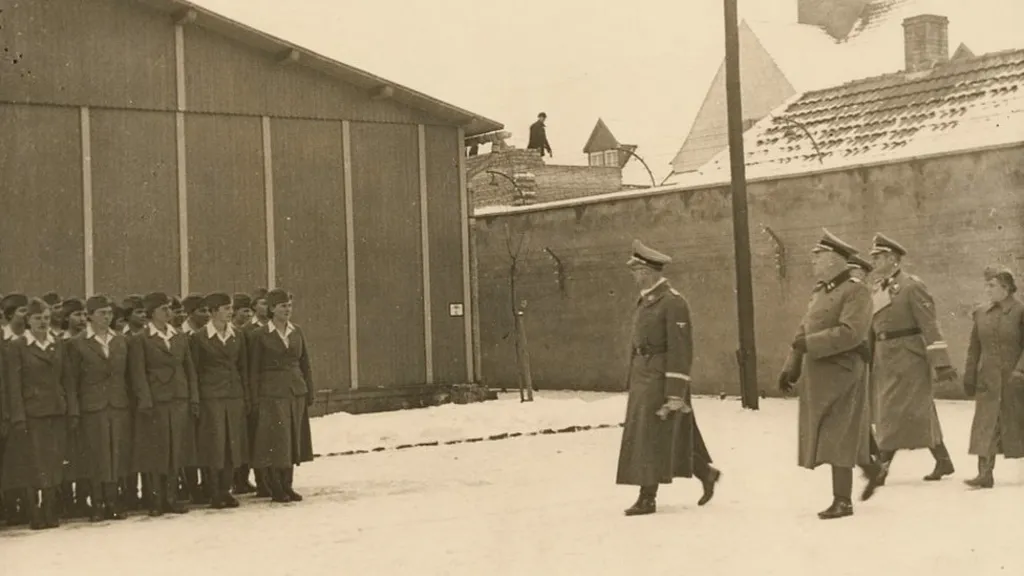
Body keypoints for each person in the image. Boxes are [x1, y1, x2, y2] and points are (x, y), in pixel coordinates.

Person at [615, 240, 721, 516]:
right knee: (672, 432)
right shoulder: (647, 301)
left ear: (649, 271)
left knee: (649, 436)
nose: (634, 276)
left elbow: (681, 348)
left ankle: (647, 497)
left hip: (660, 378)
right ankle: (705, 472)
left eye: (637, 270)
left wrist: (675, 390)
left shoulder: (673, 302)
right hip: (644, 375)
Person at [778, 230, 877, 519]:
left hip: (844, 373)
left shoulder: (856, 290)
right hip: (819, 374)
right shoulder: (821, 291)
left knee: (838, 435)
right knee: (835, 434)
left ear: (835, 259)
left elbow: (851, 333)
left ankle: (842, 501)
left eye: (818, 256)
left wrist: (811, 345)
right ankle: (871, 468)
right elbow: (803, 329)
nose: (813, 261)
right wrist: (791, 365)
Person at [866, 233, 958, 489]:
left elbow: (929, 325)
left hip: (909, 358)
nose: (873, 261)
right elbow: (872, 327)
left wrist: (942, 362)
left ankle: (881, 467)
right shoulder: (877, 287)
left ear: (892, 259)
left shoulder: (911, 286)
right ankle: (943, 460)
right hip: (885, 358)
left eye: (878, 257)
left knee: (893, 411)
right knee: (916, 411)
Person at [128, 291, 198, 516]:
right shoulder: (141, 338)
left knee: (175, 451)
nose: (169, 312)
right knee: (156, 452)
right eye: (163, 309)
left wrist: (192, 398)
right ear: (151, 314)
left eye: (169, 308)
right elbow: (138, 373)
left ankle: (171, 496)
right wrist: (145, 400)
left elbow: (189, 370)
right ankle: (155, 499)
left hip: (178, 398)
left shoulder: (178, 336)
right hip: (156, 401)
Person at [64, 295, 133, 521]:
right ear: (90, 316)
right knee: (97, 455)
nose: (107, 317)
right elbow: (71, 381)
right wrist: (74, 410)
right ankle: (97, 502)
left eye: (109, 313)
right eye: (102, 313)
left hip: (118, 404)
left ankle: (113, 501)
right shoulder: (77, 343)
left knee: (116, 454)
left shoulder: (121, 340)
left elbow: (129, 376)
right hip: (92, 406)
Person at [4, 298, 71, 529]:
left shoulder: (57, 343)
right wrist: (18, 416)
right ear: (28, 321)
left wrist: (69, 408)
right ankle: (35, 512)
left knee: (53, 461)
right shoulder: (19, 346)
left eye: (45, 318)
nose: (42, 322)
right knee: (33, 463)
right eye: (37, 318)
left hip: (56, 411)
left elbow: (67, 379)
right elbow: (14, 385)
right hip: (33, 413)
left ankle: (50, 510)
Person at [249, 288, 314, 503]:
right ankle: (275, 486)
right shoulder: (260, 335)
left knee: (293, 439)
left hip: (295, 391)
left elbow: (305, 364)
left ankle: (288, 484)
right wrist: (255, 397)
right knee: (277, 440)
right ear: (271, 309)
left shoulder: (297, 331)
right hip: (271, 393)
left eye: (289, 306)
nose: (287, 310)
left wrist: (309, 391)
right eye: (282, 306)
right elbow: (254, 369)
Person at [961, 266, 1024, 489]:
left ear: (1006, 289)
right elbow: (973, 348)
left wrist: (1020, 372)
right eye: (986, 285)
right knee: (986, 425)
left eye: (992, 286)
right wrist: (969, 375)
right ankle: (984, 474)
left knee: (1017, 424)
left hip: (1015, 381)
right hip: (987, 381)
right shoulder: (981, 313)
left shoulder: (1020, 312)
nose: (987, 290)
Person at [190, 292, 249, 509]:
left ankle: (226, 490)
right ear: (213, 312)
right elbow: (194, 371)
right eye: (225, 309)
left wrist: (245, 396)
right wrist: (196, 399)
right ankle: (213, 491)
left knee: (232, 445)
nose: (230, 312)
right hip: (210, 397)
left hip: (233, 396)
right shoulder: (199, 337)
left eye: (230, 308)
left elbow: (243, 368)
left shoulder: (238, 335)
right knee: (214, 445)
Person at [1, 293, 30, 526]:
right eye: (22, 311)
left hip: (22, 409)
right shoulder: (4, 340)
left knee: (19, 461)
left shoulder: (28, 340)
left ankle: (19, 506)